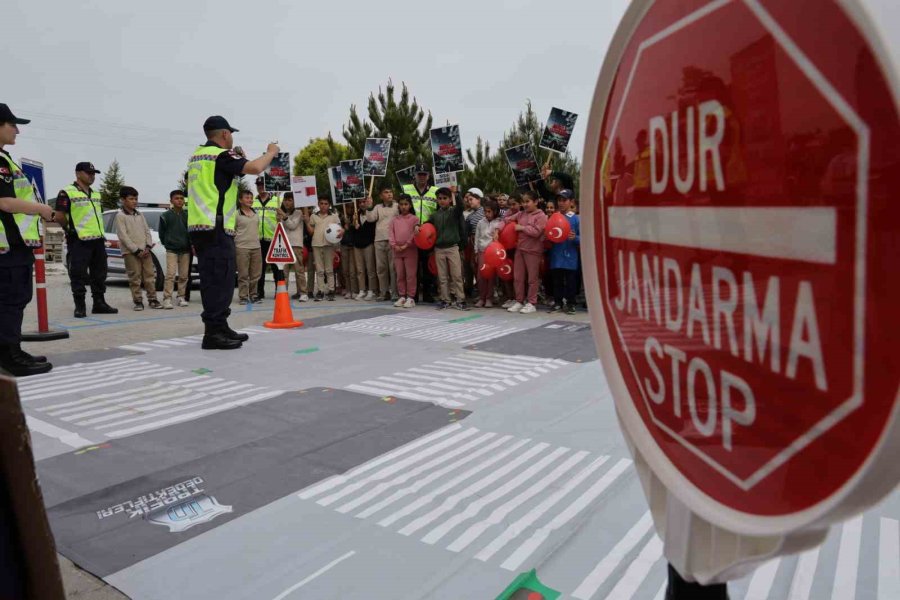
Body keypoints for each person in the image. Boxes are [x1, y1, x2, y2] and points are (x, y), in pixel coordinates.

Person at [186, 115, 279, 350]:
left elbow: (222, 181)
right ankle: (213, 333)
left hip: (201, 226)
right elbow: (257, 168)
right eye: (231, 134)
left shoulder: (198, 156)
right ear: (225, 134)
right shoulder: (221, 155)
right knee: (222, 279)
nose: (232, 139)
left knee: (214, 279)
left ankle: (220, 326)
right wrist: (271, 152)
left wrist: (239, 158)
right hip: (216, 227)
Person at [0, 103, 56, 376]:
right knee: (11, 300)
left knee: (13, 300)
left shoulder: (5, 159)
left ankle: (12, 349)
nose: (18, 131)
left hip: (12, 244)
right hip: (6, 246)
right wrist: (43, 209)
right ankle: (9, 355)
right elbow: (6, 203)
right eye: (12, 125)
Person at [55, 162, 118, 318]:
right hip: (79, 240)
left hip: (97, 240)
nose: (92, 176)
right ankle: (80, 306)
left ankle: (99, 303)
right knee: (78, 274)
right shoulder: (67, 192)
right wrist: (69, 229)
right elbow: (60, 215)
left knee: (99, 274)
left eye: (94, 173)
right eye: (88, 173)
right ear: (78, 174)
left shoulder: (96, 194)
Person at [114, 186, 161, 311]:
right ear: (123, 200)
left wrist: (147, 246)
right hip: (131, 253)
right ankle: (138, 301)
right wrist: (136, 250)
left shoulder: (140, 214)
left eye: (136, 199)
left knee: (150, 276)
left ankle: (153, 299)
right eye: (131, 199)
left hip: (145, 252)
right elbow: (123, 236)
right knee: (135, 277)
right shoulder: (120, 216)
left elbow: (147, 231)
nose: (134, 201)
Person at [426, 186, 468, 310]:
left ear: (450, 199)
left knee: (456, 275)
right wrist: (418, 226)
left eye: (445, 198)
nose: (442, 200)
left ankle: (460, 299)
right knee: (442, 277)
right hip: (439, 249)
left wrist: (457, 194)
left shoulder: (454, 212)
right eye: (439, 198)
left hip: (452, 247)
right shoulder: (434, 216)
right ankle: (445, 300)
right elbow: (427, 226)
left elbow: (461, 206)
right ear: (437, 200)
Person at [506, 190, 548, 314]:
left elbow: (536, 232)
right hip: (520, 250)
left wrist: (522, 228)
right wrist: (497, 229)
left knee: (532, 279)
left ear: (535, 202)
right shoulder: (520, 214)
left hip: (533, 251)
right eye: (523, 202)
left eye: (527, 201)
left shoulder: (541, 216)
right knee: (518, 277)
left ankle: (532, 303)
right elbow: (507, 220)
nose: (525, 204)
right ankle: (519, 301)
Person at [402, 164, 438, 302]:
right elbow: (402, 208)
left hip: (428, 234)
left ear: (428, 176)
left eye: (424, 174)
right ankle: (414, 294)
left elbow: (438, 211)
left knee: (428, 265)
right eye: (419, 174)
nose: (422, 177)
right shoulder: (407, 189)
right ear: (415, 175)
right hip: (412, 233)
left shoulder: (435, 191)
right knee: (413, 266)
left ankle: (428, 293)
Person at [547, 190, 580, 314]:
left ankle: (571, 303)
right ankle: (558, 303)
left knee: (571, 281)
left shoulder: (576, 219)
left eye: (564, 200)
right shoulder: (553, 217)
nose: (561, 203)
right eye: (559, 200)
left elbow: (584, 237)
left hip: (570, 256)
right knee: (557, 281)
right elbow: (549, 235)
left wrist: (575, 238)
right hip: (556, 255)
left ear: (571, 202)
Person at [158, 190, 191, 308]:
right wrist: (167, 243)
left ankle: (181, 297)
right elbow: (162, 233)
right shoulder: (165, 216)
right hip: (171, 250)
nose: (180, 200)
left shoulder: (187, 215)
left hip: (185, 250)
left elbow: (190, 232)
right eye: (177, 198)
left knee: (183, 275)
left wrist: (190, 244)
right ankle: (167, 298)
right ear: (171, 200)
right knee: (170, 275)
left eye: (182, 198)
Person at [366, 186, 398, 301]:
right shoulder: (377, 207)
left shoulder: (397, 206)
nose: (389, 194)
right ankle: (384, 292)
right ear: (381, 196)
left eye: (390, 192)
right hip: (379, 240)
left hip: (393, 240)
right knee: (381, 268)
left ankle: (394, 293)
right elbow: (370, 219)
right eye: (386, 192)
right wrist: (369, 207)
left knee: (393, 268)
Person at [252, 176, 282, 299]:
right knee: (260, 269)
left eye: (263, 185)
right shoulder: (253, 201)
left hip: (274, 239)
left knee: (276, 268)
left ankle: (279, 291)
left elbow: (284, 218)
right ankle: (260, 292)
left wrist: (281, 216)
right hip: (258, 240)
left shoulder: (276, 200)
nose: (260, 187)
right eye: (258, 185)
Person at [307, 196, 340, 301]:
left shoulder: (334, 216)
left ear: (329, 205)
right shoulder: (313, 216)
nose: (323, 206)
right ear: (318, 204)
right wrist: (306, 221)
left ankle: (331, 290)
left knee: (329, 270)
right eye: (321, 203)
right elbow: (311, 231)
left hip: (329, 245)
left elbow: (339, 230)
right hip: (316, 244)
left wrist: (342, 231)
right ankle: (320, 291)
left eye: (326, 203)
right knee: (319, 270)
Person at [389, 193, 418, 308]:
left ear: (410, 205)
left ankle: (411, 297)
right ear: (398, 206)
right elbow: (391, 234)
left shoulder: (414, 219)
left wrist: (406, 245)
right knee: (400, 274)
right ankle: (402, 296)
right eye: (401, 204)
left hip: (410, 250)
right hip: (397, 250)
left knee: (410, 275)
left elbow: (414, 234)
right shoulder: (394, 220)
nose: (403, 207)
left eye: (406, 204)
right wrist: (394, 245)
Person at [474, 198, 503, 308]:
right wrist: (476, 252)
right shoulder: (481, 222)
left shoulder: (498, 222)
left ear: (495, 211)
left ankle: (489, 298)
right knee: (481, 276)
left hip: (492, 254)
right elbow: (477, 237)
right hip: (482, 252)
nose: (487, 214)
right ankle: (482, 297)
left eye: (489, 211)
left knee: (491, 277)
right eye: (485, 211)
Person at [234, 190, 262, 305]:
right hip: (241, 247)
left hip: (256, 247)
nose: (250, 200)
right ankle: (243, 296)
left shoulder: (256, 214)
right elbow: (232, 229)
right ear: (240, 200)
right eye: (247, 198)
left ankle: (254, 295)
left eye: (251, 198)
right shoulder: (236, 214)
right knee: (243, 274)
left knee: (256, 274)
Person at [280, 192, 308, 301]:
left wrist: (283, 216)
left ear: (294, 202)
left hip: (296, 244)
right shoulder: (281, 213)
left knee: (299, 270)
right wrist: (279, 218)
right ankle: (283, 293)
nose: (287, 202)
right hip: (284, 244)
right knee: (284, 272)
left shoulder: (299, 212)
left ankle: (303, 293)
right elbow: (279, 228)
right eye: (285, 200)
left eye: (290, 200)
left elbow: (292, 225)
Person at [352, 196, 378, 300]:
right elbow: (351, 230)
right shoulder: (355, 215)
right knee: (360, 270)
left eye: (364, 201)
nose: (363, 204)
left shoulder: (372, 213)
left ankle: (372, 290)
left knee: (370, 269)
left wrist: (370, 207)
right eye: (360, 202)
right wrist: (353, 224)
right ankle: (362, 290)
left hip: (368, 244)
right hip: (357, 245)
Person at [464, 188, 485, 299]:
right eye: (468, 199)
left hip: (487, 244)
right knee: (475, 268)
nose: (469, 201)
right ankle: (481, 292)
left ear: (478, 199)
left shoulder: (486, 211)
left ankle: (492, 292)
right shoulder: (469, 216)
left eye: (471, 199)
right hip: (474, 245)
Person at [338, 205, 357, 299]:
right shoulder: (340, 218)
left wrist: (351, 224)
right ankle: (348, 289)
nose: (350, 209)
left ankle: (354, 290)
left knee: (352, 271)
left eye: (351, 207)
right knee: (345, 270)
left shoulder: (356, 217)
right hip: (344, 245)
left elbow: (356, 229)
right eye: (348, 207)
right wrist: (344, 226)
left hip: (353, 246)